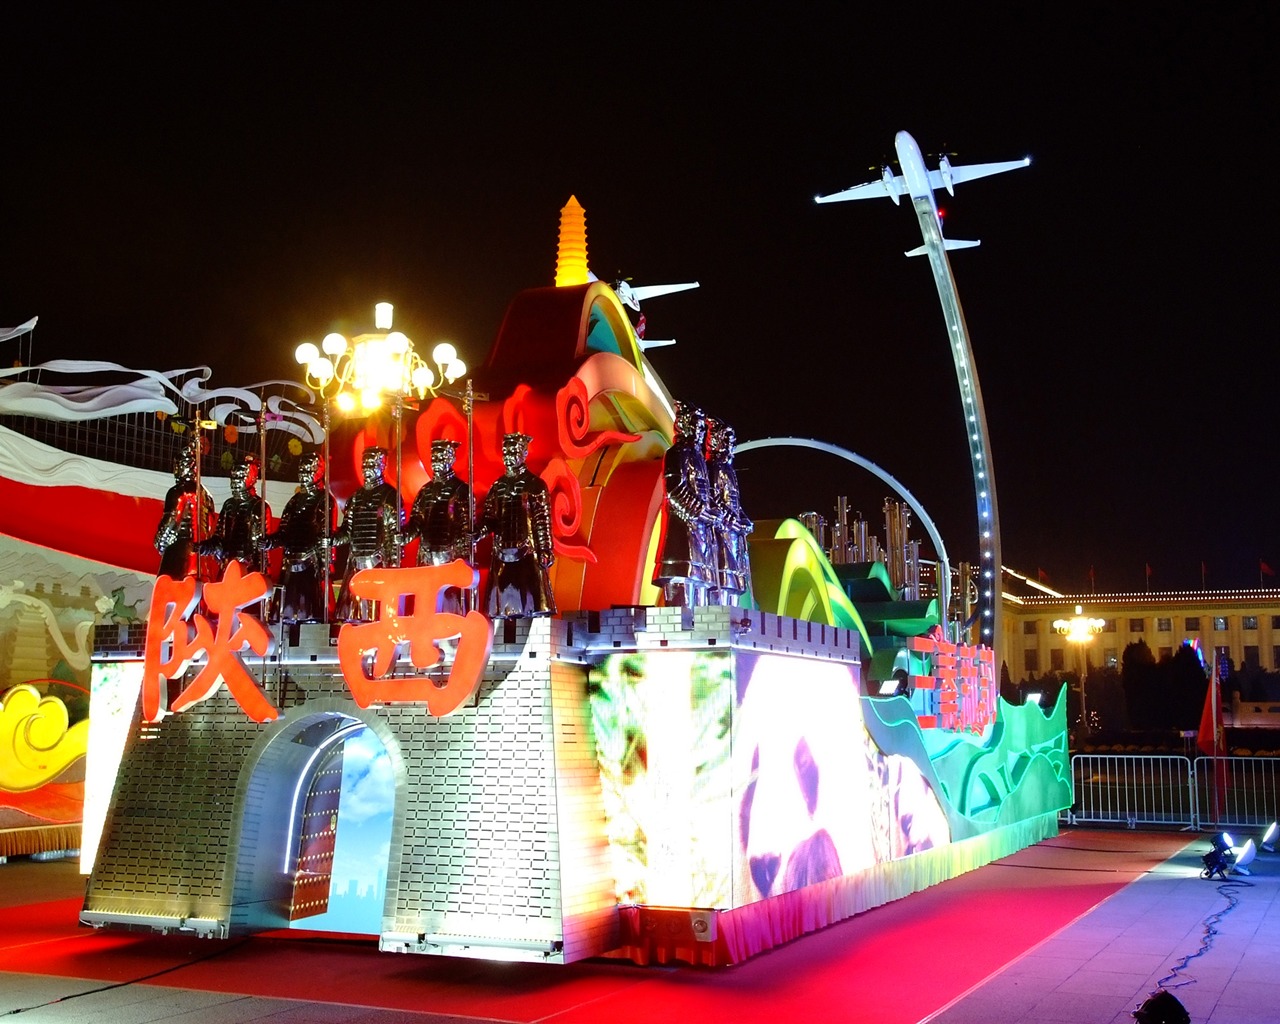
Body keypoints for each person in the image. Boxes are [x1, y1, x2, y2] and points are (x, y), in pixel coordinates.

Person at [480, 432, 556, 618]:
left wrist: (545, 548)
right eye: (506, 452)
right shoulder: (498, 486)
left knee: (532, 602)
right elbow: (490, 519)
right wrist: (477, 532)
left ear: (524, 454)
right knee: (500, 607)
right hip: (501, 551)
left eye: (513, 452)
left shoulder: (535, 485)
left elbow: (541, 520)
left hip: (527, 550)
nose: (509, 456)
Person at [653, 402, 716, 606]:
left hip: (701, 535)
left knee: (700, 595)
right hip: (681, 536)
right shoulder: (676, 454)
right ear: (685, 426)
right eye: (697, 427)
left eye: (702, 429)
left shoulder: (698, 459)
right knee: (680, 589)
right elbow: (675, 491)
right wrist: (702, 511)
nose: (700, 433)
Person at [332, 446, 402, 621]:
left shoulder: (390, 495)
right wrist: (331, 539)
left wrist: (393, 566)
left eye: (371, 465)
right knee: (352, 616)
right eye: (364, 465)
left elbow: (394, 536)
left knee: (377, 615)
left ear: (381, 466)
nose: (367, 470)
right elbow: (347, 532)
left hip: (379, 563)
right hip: (355, 563)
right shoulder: (356, 497)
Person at [404, 439, 473, 615]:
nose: (436, 462)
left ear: (451, 459)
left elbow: (466, 525)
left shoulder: (461, 490)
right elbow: (416, 523)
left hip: (451, 555)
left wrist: (463, 555)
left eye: (441, 458)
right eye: (434, 458)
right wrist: (404, 536)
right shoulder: (425, 491)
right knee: (426, 604)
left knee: (451, 604)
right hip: (427, 555)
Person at [267, 451, 333, 622]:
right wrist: (269, 542)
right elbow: (283, 533)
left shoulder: (325, 499)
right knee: (285, 614)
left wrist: (326, 563)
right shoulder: (293, 501)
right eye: (301, 471)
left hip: (311, 564)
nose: (304, 475)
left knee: (311, 614)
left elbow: (326, 535)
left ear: (319, 471)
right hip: (289, 563)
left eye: (308, 471)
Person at [706, 417, 753, 606]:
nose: (729, 446)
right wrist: (732, 519)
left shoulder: (729, 470)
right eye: (726, 440)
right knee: (723, 576)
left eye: (731, 442)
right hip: (721, 532)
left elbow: (735, 503)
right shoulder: (712, 467)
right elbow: (714, 499)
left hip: (734, 533)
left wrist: (744, 520)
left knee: (734, 578)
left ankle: (734, 614)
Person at [200, 454, 270, 576]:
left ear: (251, 477)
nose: (235, 482)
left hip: (249, 570)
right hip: (227, 567)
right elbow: (219, 538)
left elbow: (260, 549)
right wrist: (205, 547)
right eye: (233, 477)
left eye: (240, 477)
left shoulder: (259, 506)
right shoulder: (228, 505)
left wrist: (262, 573)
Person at [154, 440, 215, 579]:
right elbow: (211, 527)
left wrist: (160, 544)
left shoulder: (178, 492)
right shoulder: (207, 495)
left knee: (169, 594)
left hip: (179, 554)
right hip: (202, 558)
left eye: (180, 465)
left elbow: (170, 523)